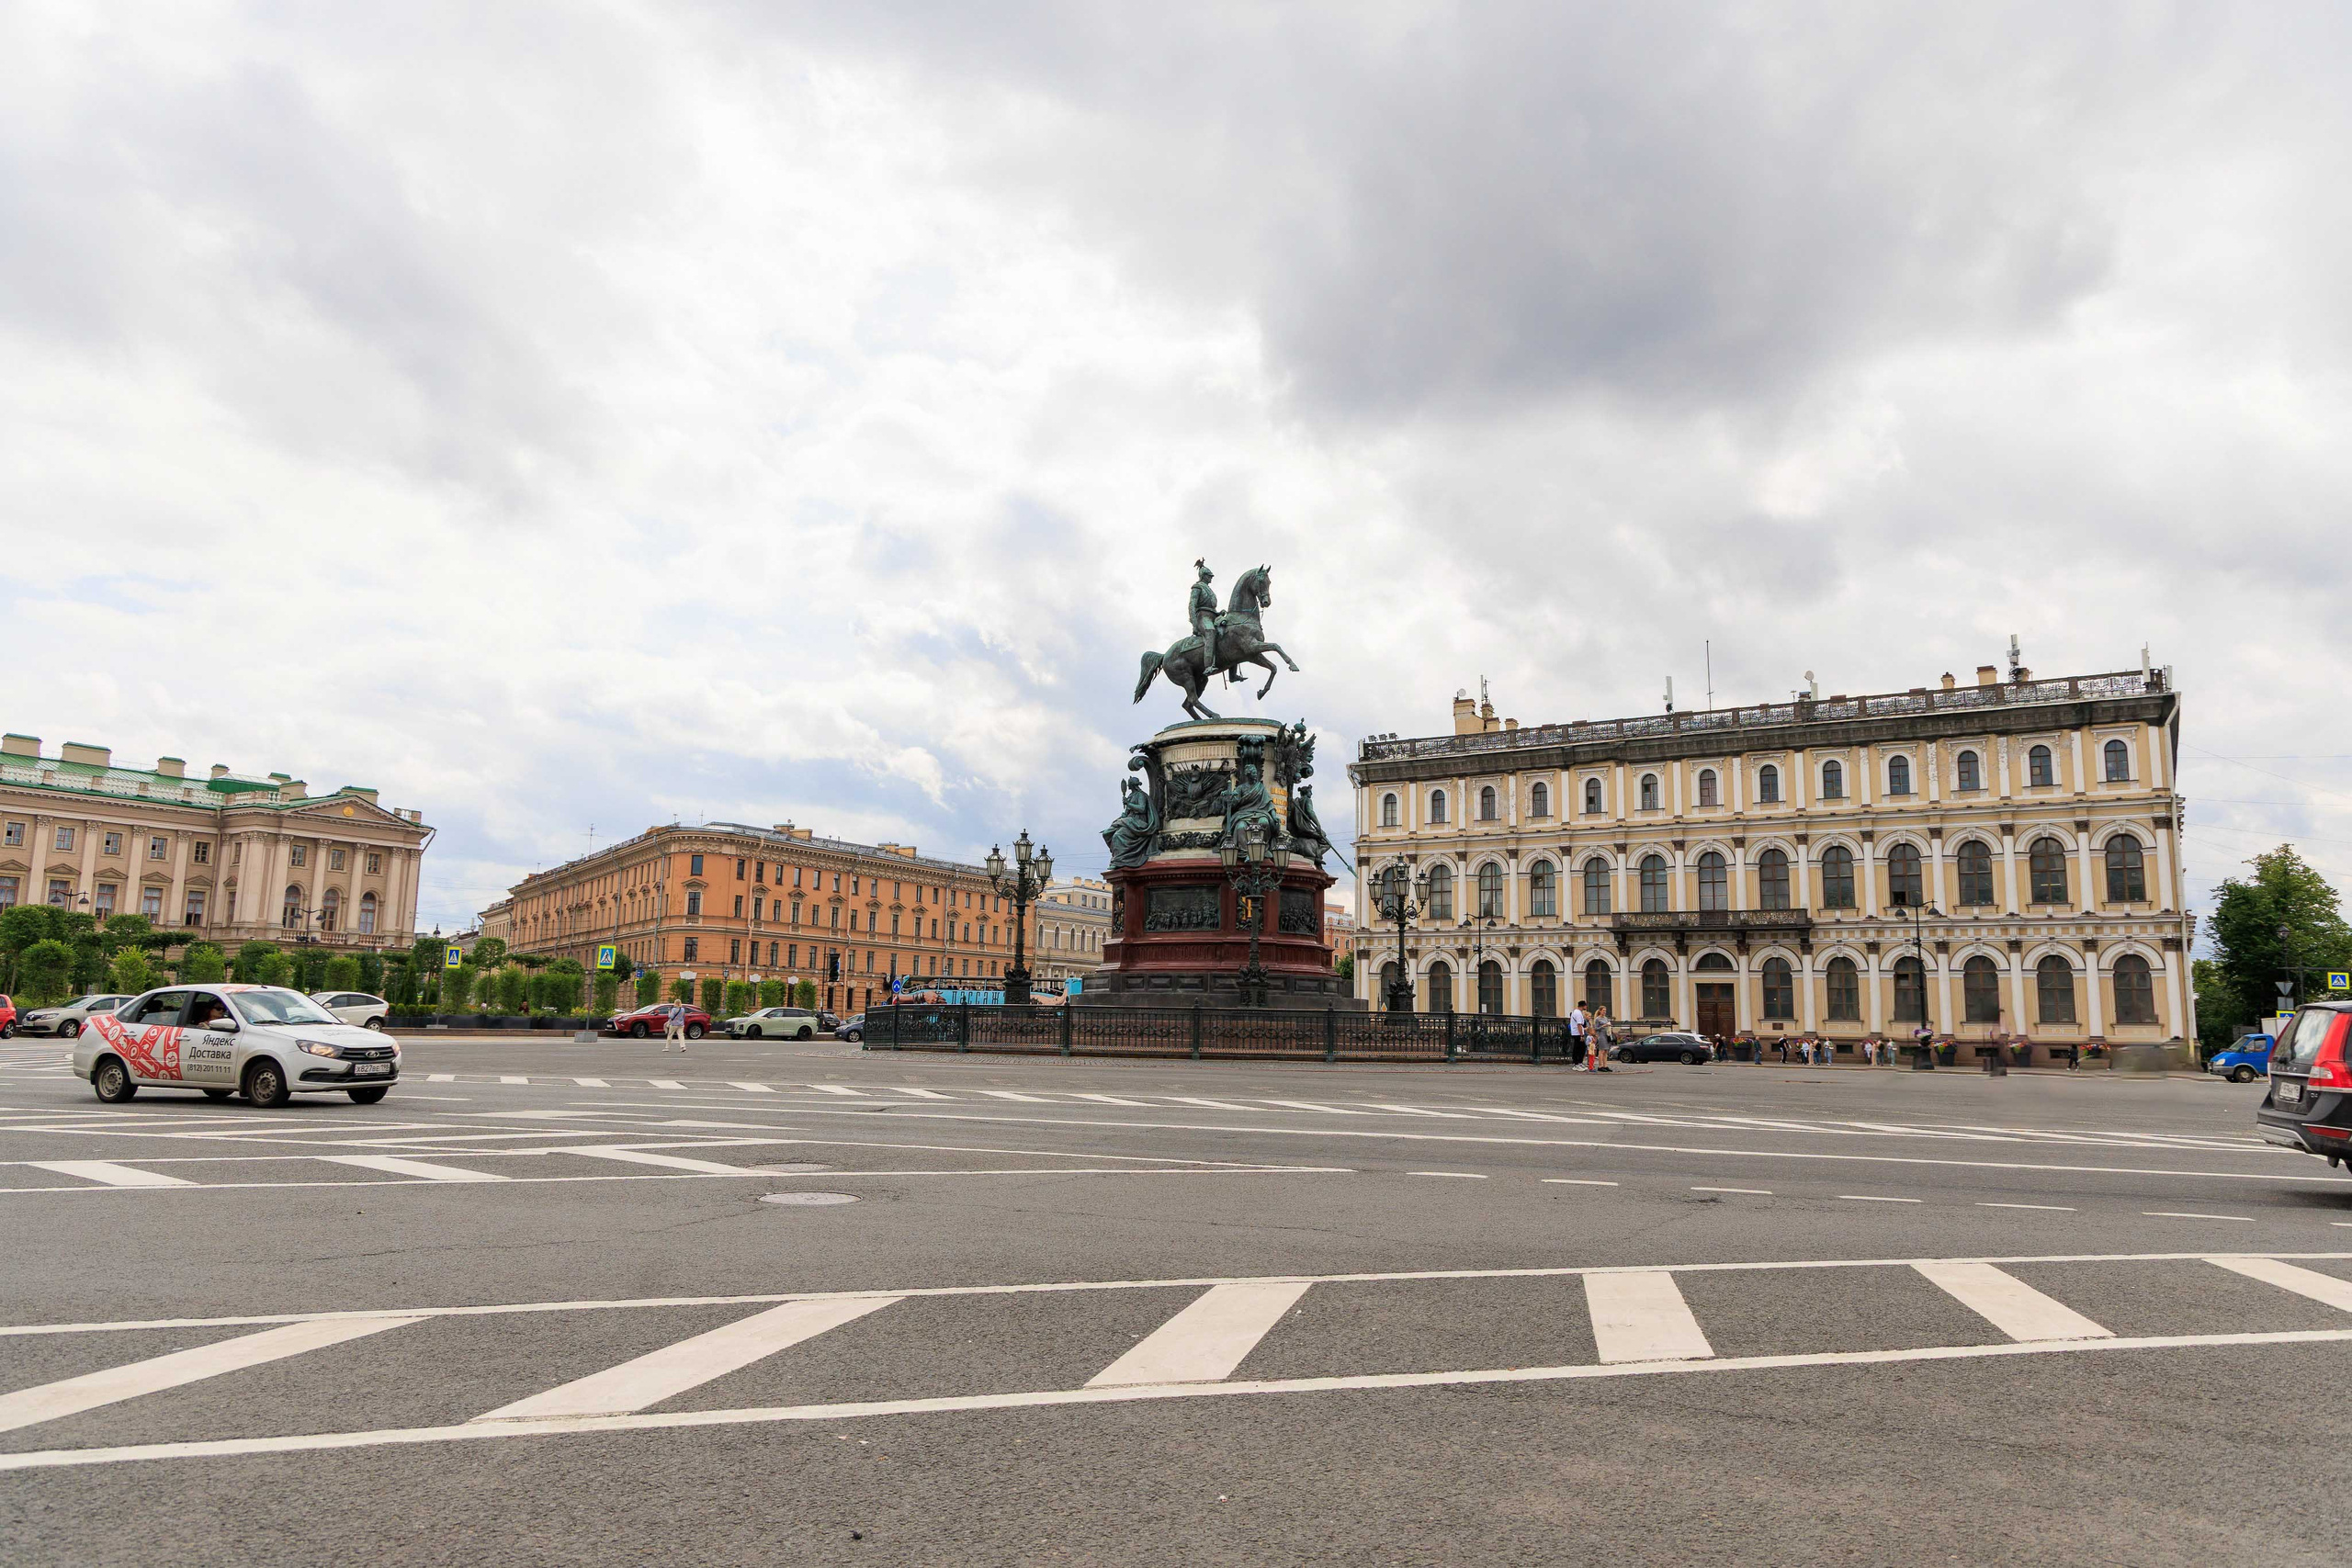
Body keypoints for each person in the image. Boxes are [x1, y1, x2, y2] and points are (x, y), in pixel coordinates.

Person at [1566, 1001, 1589, 1067]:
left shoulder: (1575, 1012)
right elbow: (1579, 1025)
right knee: (1581, 1048)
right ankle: (1577, 1062)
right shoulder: (1578, 1013)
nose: (1586, 1007)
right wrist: (1581, 1035)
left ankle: (1577, 1062)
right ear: (1583, 1006)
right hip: (1577, 1033)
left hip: (1576, 1032)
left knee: (1578, 1047)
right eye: (1585, 1005)